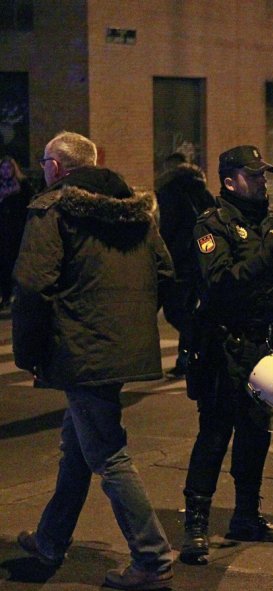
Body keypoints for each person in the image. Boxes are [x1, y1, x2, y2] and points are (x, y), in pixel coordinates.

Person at [12, 131, 175, 590]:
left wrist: (29, 352)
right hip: (120, 348)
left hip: (80, 348)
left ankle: (152, 557)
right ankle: (50, 539)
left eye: (44, 161)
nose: (42, 169)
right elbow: (165, 272)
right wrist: (129, 326)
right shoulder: (137, 211)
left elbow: (31, 284)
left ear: (57, 167)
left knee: (107, 453)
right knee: (77, 447)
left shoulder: (53, 209)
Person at [180, 145, 273, 565]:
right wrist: (265, 258)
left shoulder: (270, 224)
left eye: (263, 174)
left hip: (264, 347)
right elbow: (220, 283)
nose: (262, 181)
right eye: (254, 175)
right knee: (215, 434)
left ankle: (245, 516)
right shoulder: (212, 226)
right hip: (223, 347)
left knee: (257, 433)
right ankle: (196, 527)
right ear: (229, 180)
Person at [155, 151, 216, 377]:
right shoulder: (202, 191)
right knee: (187, 309)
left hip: (178, 260)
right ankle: (187, 361)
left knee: (175, 311)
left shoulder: (169, 192)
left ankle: (197, 344)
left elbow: (166, 229)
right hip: (201, 260)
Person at [0, 155, 33, 309]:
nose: (6, 171)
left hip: (17, 230)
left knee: (16, 263)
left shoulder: (22, 185)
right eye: (3, 168)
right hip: (2, 231)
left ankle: (17, 295)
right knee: (3, 264)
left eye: (9, 168)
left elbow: (30, 203)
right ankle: (5, 296)